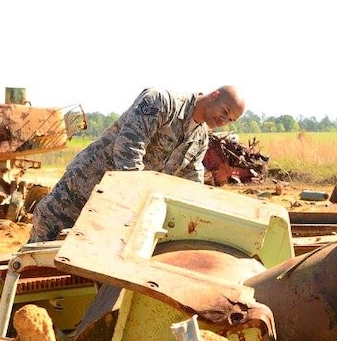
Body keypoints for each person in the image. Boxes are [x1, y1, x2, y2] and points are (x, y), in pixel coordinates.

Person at [28, 86, 245, 243]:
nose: (224, 120)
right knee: (37, 266)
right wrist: (140, 206)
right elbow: (128, 150)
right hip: (78, 196)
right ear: (214, 95)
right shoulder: (161, 102)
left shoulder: (200, 139)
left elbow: (191, 184)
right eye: (225, 111)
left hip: (110, 214)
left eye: (231, 120)